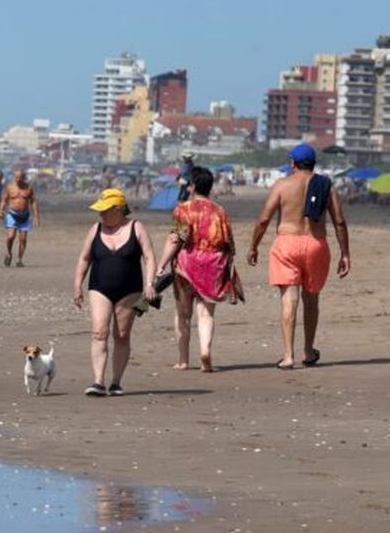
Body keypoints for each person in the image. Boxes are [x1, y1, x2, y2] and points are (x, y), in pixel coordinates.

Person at [247, 143, 350, 369]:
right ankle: (308, 351)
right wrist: (345, 253)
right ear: (313, 164)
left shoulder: (283, 185)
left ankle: (288, 355)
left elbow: (264, 219)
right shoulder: (326, 186)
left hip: (286, 244)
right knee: (311, 300)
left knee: (289, 298)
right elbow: (339, 221)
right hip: (316, 244)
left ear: (292, 163)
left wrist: (254, 246)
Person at [73, 189, 156, 396]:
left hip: (130, 290)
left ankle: (116, 382)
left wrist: (149, 284)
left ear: (118, 209)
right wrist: (77, 285)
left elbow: (149, 257)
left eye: (105, 210)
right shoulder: (96, 229)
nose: (101, 214)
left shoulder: (137, 228)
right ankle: (98, 381)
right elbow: (84, 258)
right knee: (99, 332)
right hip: (99, 287)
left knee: (121, 335)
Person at [155, 166, 236, 373]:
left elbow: (177, 239)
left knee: (183, 314)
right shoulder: (220, 211)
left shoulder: (183, 209)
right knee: (206, 313)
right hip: (214, 264)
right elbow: (229, 244)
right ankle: (205, 351)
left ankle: (183, 361)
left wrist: (162, 263)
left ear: (192, 186)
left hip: (187, 264)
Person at [0, 169, 40, 267]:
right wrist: (1, 210)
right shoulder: (10, 187)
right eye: (16, 177)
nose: (18, 179)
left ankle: (19, 259)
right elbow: (4, 200)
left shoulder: (28, 188)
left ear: (23, 177)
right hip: (12, 214)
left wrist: (36, 217)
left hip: (25, 216)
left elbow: (33, 202)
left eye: (20, 177)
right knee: (10, 236)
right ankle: (9, 253)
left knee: (23, 239)